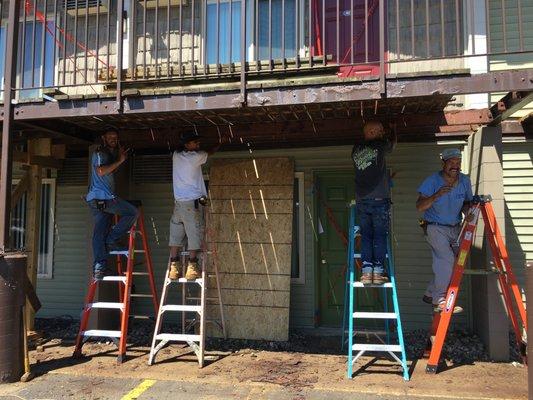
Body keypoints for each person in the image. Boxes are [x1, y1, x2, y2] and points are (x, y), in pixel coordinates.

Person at [416, 148, 473, 313]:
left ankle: (429, 293)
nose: (455, 166)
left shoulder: (464, 181)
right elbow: (419, 206)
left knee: (452, 264)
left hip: (455, 228)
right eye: (451, 162)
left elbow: (467, 202)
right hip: (434, 227)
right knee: (446, 260)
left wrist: (467, 212)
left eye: (458, 162)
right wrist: (436, 195)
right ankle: (439, 299)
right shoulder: (433, 181)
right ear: (443, 164)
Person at [168, 131, 222, 281]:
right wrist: (218, 144)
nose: (198, 145)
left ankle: (174, 267)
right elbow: (209, 152)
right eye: (195, 143)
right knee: (195, 232)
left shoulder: (176, 155)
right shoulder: (195, 157)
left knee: (176, 234)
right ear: (186, 145)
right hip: (193, 203)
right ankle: (192, 266)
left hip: (178, 204)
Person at [86, 128, 139, 280]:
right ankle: (111, 240)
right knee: (132, 212)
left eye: (115, 137)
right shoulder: (99, 153)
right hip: (103, 198)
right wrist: (120, 160)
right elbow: (102, 171)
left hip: (96, 199)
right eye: (110, 137)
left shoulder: (107, 154)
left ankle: (99, 268)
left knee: (99, 232)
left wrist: (118, 158)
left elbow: (108, 171)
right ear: (103, 138)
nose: (113, 139)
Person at [351, 121, 396, 285]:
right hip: (378, 200)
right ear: (373, 131)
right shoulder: (380, 145)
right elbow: (392, 145)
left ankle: (366, 271)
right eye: (379, 130)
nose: (381, 133)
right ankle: (377, 272)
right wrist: (392, 131)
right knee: (379, 236)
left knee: (366, 236)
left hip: (362, 200)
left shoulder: (356, 149)